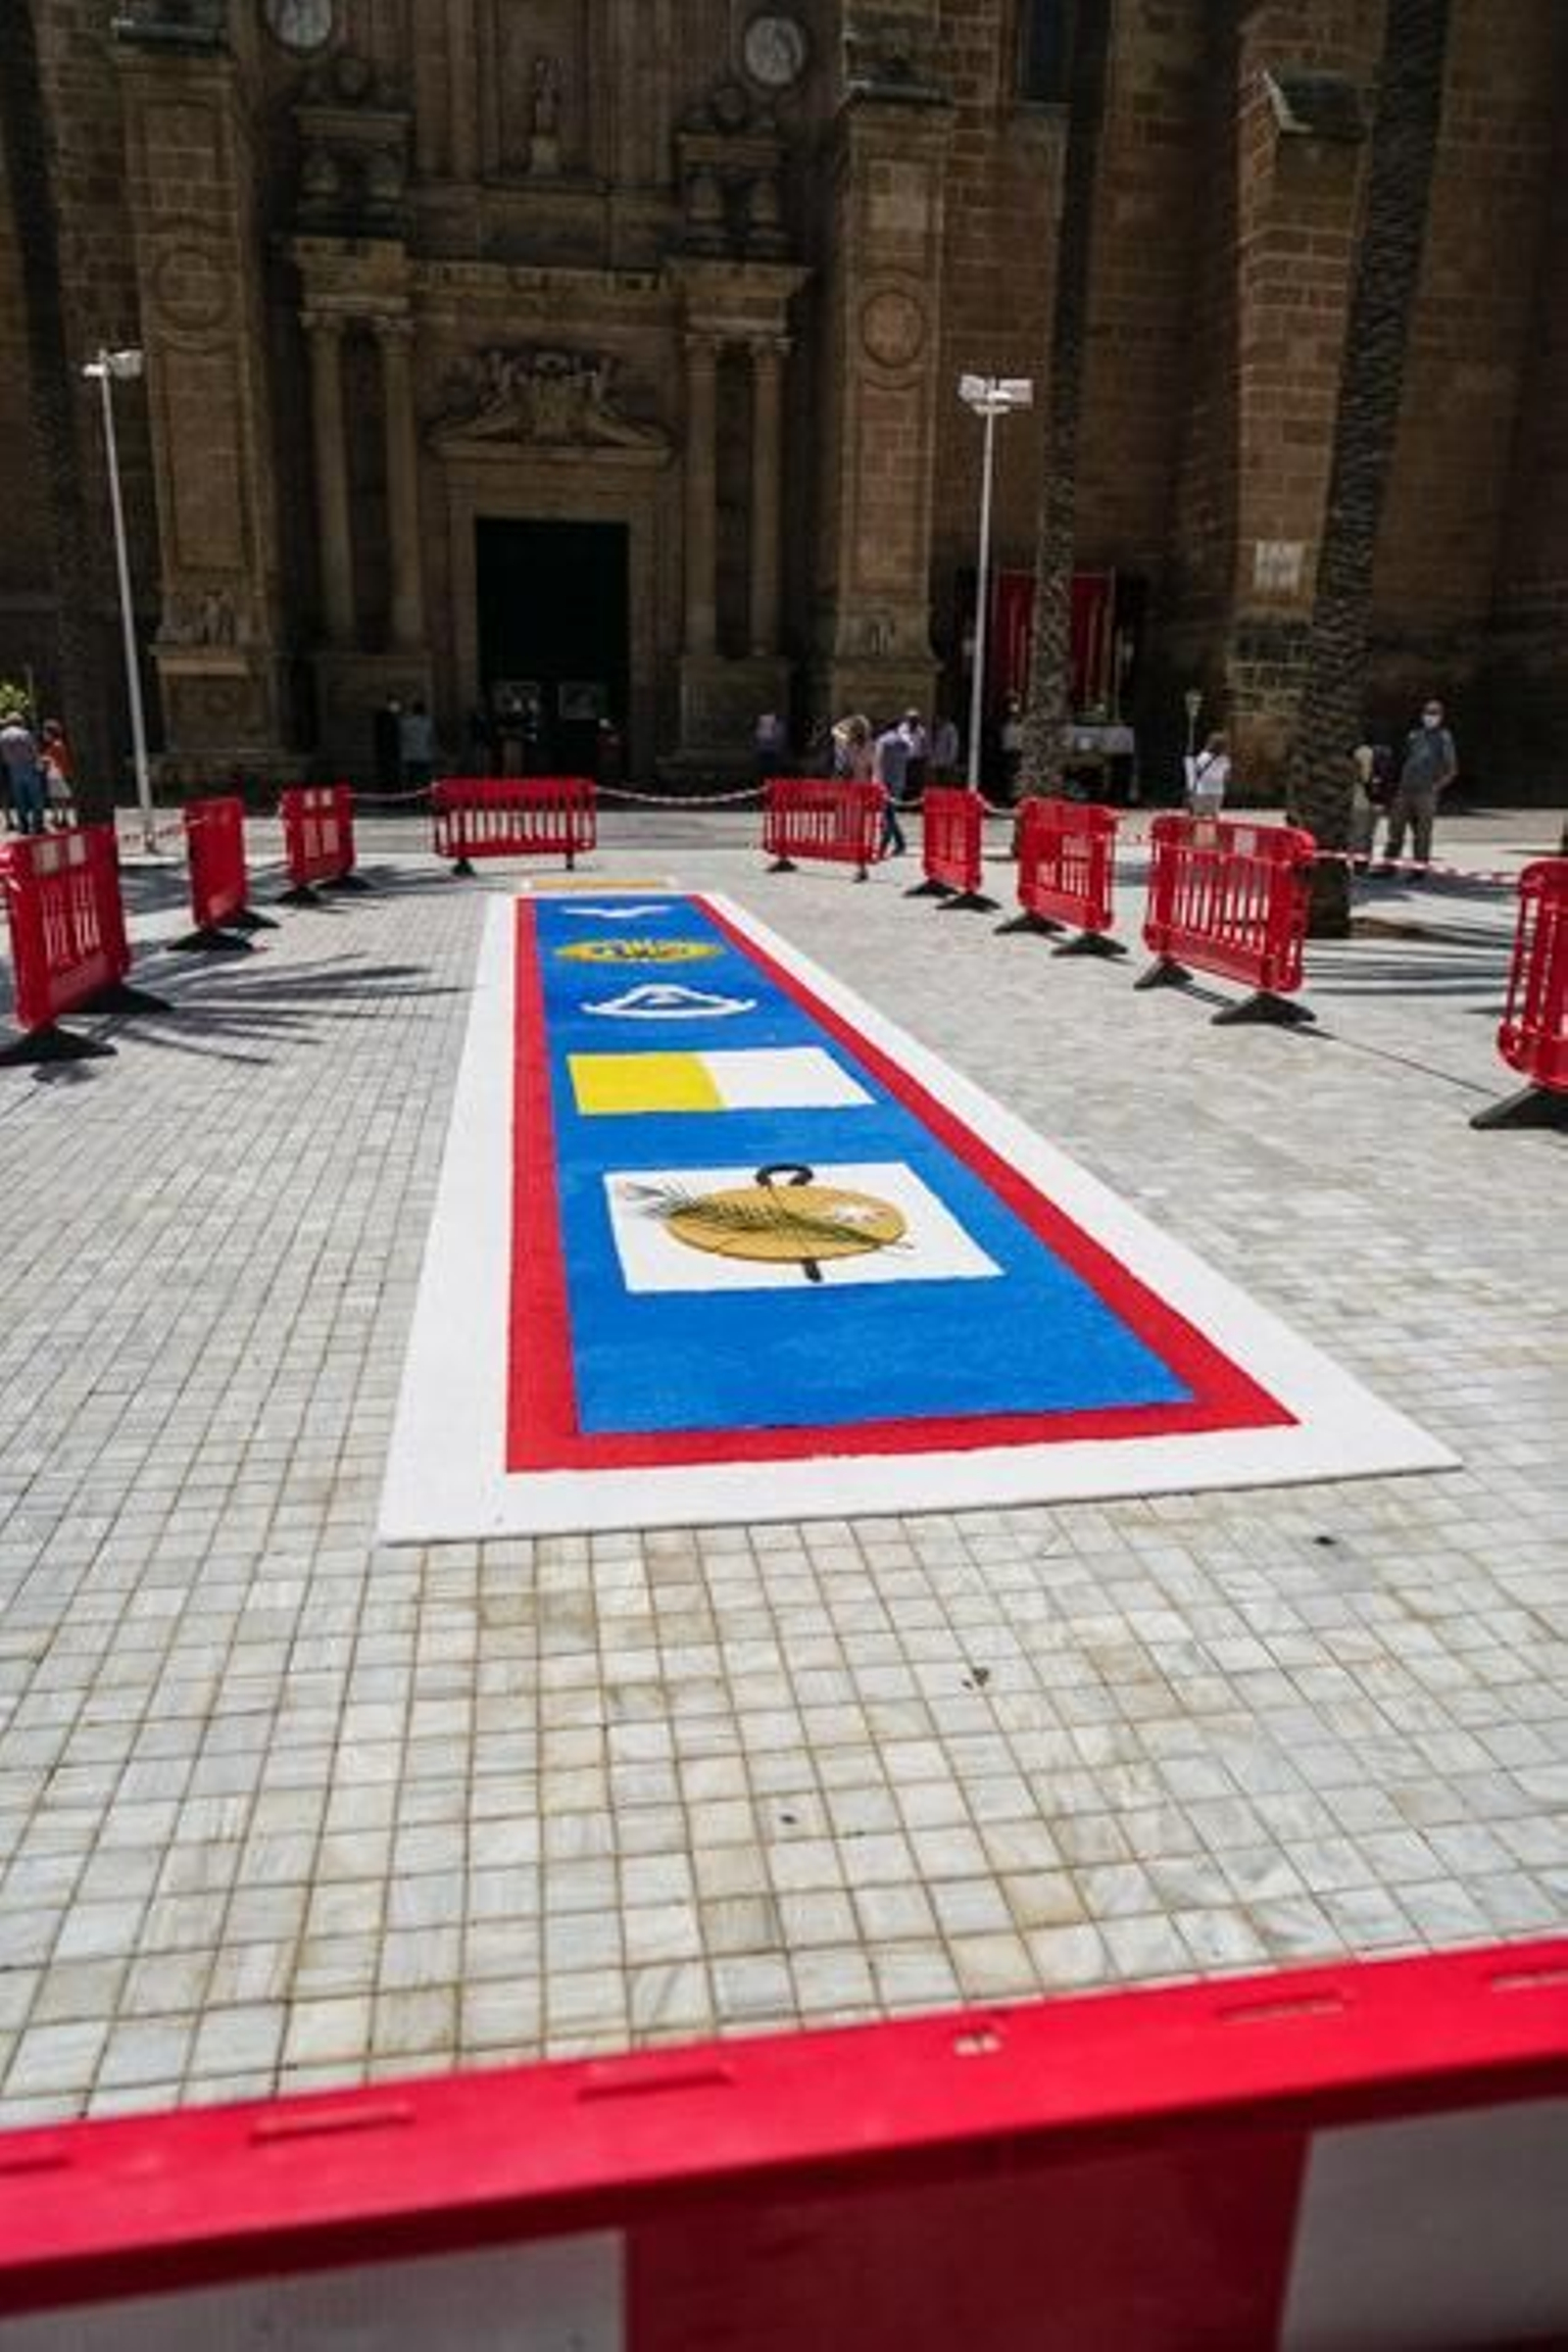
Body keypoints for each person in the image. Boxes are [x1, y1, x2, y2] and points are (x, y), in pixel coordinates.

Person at [1383, 697, 1458, 872]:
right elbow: (1406, 760)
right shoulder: (1414, 735)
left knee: (1422, 833)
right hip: (1405, 789)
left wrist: (1435, 787)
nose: (1429, 716)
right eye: (1427, 713)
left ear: (1440, 716)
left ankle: (1419, 868)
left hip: (1426, 792)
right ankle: (1388, 865)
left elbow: (1452, 768)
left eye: (1434, 713)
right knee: (1395, 829)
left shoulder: (1444, 737)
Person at [0, 709, 46, 836]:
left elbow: (2, 756)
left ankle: (24, 825)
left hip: (13, 769)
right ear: (19, 721)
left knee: (20, 799)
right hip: (29, 767)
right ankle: (38, 825)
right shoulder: (25, 734)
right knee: (36, 797)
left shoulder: (2, 736)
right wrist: (39, 765)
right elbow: (34, 751)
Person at [871, 717, 909, 857]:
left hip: (885, 782)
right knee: (890, 814)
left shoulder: (882, 740)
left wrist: (876, 780)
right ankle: (900, 844)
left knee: (887, 815)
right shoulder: (903, 742)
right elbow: (908, 759)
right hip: (898, 782)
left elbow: (878, 762)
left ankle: (884, 845)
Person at [1185, 729, 1230, 817]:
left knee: (1199, 816)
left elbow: (1195, 772)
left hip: (1202, 791)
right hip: (1218, 791)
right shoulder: (1225, 759)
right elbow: (1227, 777)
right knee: (1214, 815)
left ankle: (1198, 831)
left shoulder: (1203, 756)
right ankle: (1216, 831)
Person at [39, 717, 74, 828]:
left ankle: (59, 818)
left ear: (51, 733)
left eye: (45, 733)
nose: (44, 735)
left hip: (57, 776)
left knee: (57, 798)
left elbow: (54, 760)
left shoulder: (56, 745)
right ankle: (61, 817)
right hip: (56, 775)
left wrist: (44, 760)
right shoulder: (57, 745)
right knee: (59, 797)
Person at [398, 698, 436, 790]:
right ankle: (424, 800)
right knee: (425, 781)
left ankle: (411, 800)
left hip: (410, 756)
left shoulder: (405, 722)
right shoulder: (428, 722)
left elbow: (401, 738)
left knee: (411, 780)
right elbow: (431, 740)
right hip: (424, 756)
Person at [999, 694, 1025, 804]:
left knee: (1014, 777)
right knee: (1009, 777)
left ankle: (1014, 798)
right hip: (1009, 752)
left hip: (1015, 752)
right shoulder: (1006, 723)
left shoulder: (1019, 724)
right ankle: (1010, 798)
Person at [372, 697, 403, 793]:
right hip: (389, 753)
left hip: (386, 753)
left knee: (388, 777)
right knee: (389, 776)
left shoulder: (389, 718)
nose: (398, 707)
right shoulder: (388, 719)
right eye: (396, 705)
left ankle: (390, 793)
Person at [899, 709, 928, 805]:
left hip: (916, 760)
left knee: (915, 782)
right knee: (904, 781)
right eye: (911, 719)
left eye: (915, 719)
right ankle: (903, 802)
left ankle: (914, 803)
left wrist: (924, 758)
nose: (913, 721)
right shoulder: (902, 729)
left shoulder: (921, 730)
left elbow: (924, 746)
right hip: (904, 760)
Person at [754, 710, 788, 784]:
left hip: (772, 754)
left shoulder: (778, 726)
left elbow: (780, 739)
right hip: (767, 753)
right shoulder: (764, 726)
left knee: (771, 773)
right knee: (766, 773)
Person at [931, 712, 959, 784]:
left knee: (946, 781)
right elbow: (933, 745)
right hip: (937, 761)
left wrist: (951, 760)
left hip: (946, 761)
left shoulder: (950, 728)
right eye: (935, 720)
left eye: (937, 719)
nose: (936, 721)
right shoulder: (936, 729)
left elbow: (953, 745)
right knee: (937, 781)